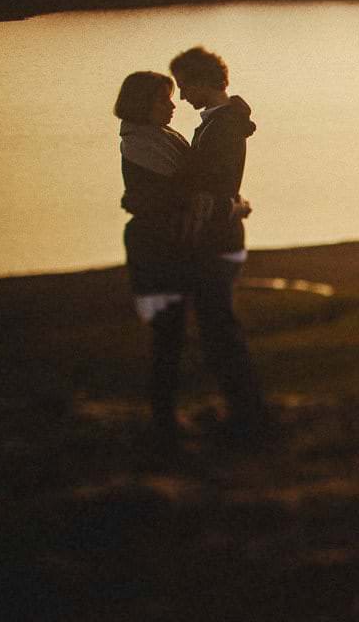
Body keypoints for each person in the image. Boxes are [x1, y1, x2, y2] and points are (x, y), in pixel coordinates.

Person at [167, 45, 269, 445]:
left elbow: (213, 187)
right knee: (218, 328)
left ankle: (248, 418)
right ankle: (245, 413)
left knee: (219, 330)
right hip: (221, 237)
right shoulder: (220, 122)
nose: (182, 96)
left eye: (184, 86)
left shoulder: (222, 127)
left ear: (202, 81)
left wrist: (223, 206)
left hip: (217, 241)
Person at [114, 70, 195, 452]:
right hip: (153, 250)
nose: (172, 105)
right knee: (167, 333)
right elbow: (184, 186)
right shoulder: (140, 144)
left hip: (166, 246)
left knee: (173, 333)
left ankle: (166, 417)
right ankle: (163, 422)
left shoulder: (160, 138)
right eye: (164, 99)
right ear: (141, 103)